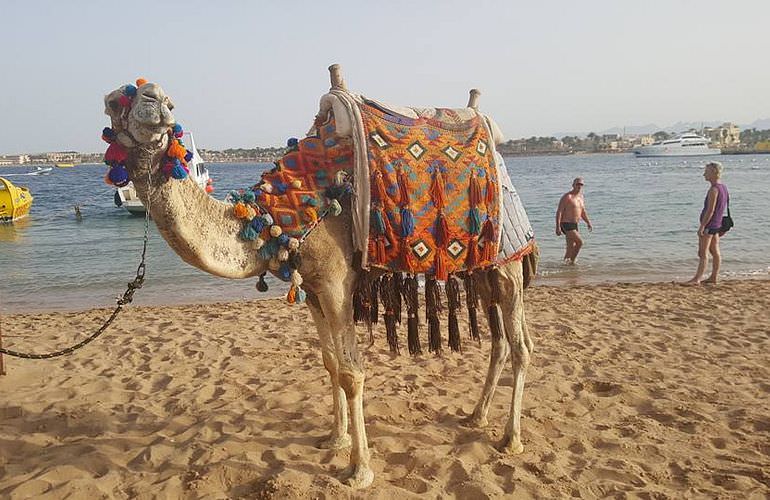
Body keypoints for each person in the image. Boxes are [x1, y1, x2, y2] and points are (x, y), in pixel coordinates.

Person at [684, 161, 729, 285]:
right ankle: (713, 277)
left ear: (714, 173)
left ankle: (696, 279)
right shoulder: (723, 187)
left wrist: (702, 226)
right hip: (717, 224)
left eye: (707, 172)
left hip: (710, 225)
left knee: (703, 253)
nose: (704, 174)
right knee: (715, 251)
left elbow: (711, 210)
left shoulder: (714, 189)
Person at [555, 177, 593, 264]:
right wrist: (557, 227)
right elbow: (559, 211)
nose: (579, 186)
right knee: (580, 242)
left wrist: (588, 222)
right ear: (573, 185)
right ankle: (572, 262)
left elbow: (582, 212)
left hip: (575, 224)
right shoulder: (567, 197)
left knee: (570, 248)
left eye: (581, 184)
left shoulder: (581, 197)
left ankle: (565, 265)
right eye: (577, 184)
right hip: (566, 224)